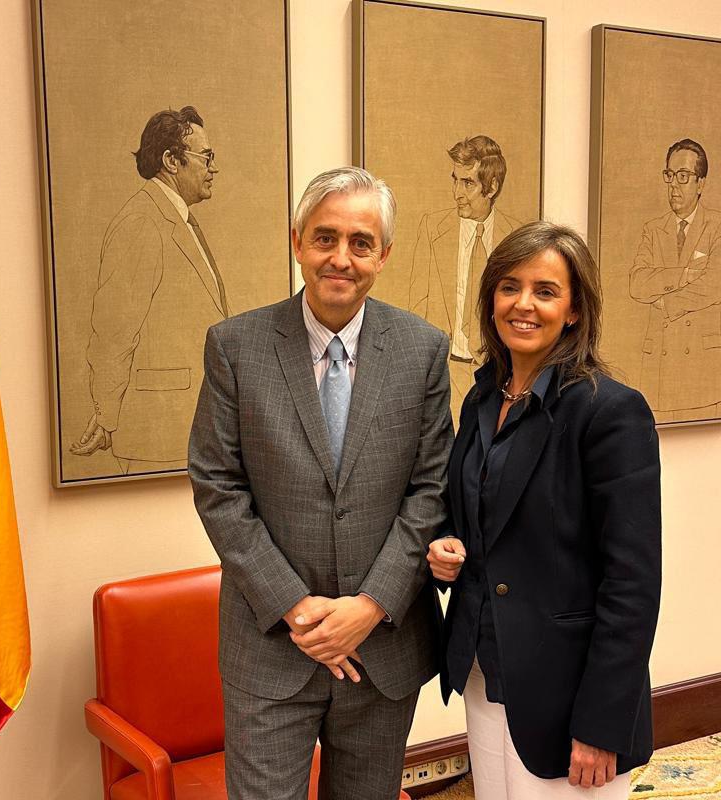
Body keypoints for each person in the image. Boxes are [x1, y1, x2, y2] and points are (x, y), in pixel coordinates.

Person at [189, 166, 452, 800]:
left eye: (361, 243)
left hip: (382, 647)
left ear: (383, 255)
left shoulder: (422, 349)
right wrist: (298, 608)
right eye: (325, 237)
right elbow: (217, 485)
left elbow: (431, 488)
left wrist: (370, 606)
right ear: (297, 242)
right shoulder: (235, 346)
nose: (341, 258)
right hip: (272, 646)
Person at [428, 221, 662, 798]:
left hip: (570, 691)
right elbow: (479, 514)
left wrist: (602, 724)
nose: (523, 304)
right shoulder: (482, 398)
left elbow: (632, 583)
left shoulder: (610, 412)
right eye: (509, 287)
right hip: (484, 667)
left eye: (545, 291)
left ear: (575, 310)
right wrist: (447, 543)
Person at [72, 105, 228, 474]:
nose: (213, 168)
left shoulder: (175, 219)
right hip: (157, 434)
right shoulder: (142, 221)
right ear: (172, 161)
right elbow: (113, 332)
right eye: (206, 157)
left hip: (188, 426)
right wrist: (106, 415)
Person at [409, 135, 522, 398]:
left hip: (501, 375)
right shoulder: (432, 228)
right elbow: (417, 305)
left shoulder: (516, 237)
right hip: (445, 373)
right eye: (455, 180)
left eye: (468, 183)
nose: (457, 193)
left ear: (491, 187)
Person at [629, 138, 721, 413]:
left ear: (701, 184)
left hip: (699, 362)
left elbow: (713, 285)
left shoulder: (718, 225)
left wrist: (665, 302)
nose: (673, 184)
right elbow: (637, 283)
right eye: (670, 175)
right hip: (658, 362)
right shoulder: (653, 229)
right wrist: (685, 274)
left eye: (683, 176)